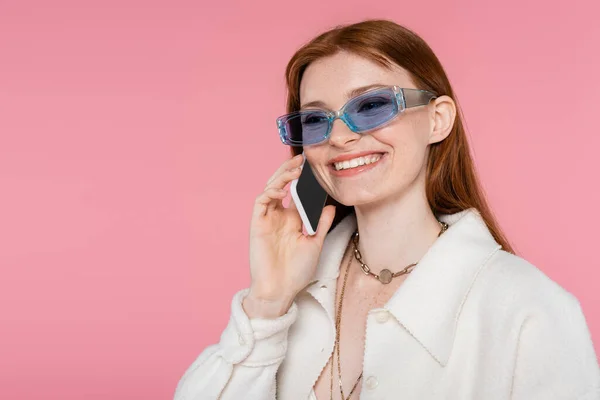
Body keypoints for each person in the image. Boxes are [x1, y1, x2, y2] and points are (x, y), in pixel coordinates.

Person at [173, 19, 600, 400]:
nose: (339, 137)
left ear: (438, 119)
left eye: (372, 105)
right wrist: (267, 302)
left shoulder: (530, 309)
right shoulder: (293, 293)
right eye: (316, 120)